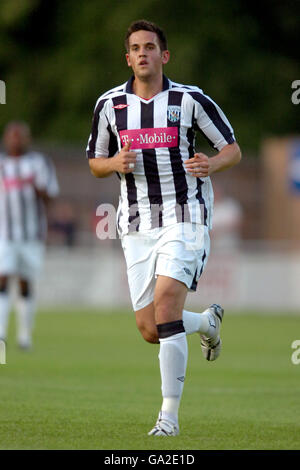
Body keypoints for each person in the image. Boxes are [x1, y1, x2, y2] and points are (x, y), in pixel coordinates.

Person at [86, 20, 241, 436]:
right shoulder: (110, 105)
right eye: (135, 48)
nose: (142, 54)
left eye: (150, 47)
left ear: (163, 55)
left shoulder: (190, 100)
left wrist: (212, 163)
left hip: (185, 215)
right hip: (135, 223)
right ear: (127, 58)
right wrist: (113, 165)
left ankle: (168, 419)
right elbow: (95, 161)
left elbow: (232, 149)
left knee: (168, 305)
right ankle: (207, 323)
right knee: (151, 328)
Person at [0, 121, 59, 349]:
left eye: (20, 136)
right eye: (12, 136)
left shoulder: (39, 163)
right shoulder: (2, 164)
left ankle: (24, 336)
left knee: (25, 282)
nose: (16, 140)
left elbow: (51, 196)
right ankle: (2, 332)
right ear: (6, 139)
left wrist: (39, 191)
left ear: (27, 139)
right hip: (5, 234)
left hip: (32, 233)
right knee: (3, 278)